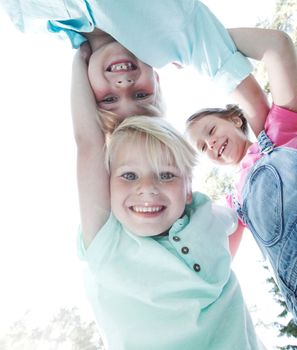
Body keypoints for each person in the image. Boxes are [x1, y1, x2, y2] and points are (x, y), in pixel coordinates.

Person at [71, 47, 265, 350]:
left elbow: (243, 217)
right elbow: (88, 143)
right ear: (107, 188)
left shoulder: (206, 213)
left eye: (166, 175)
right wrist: (80, 60)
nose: (147, 188)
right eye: (129, 176)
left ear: (188, 188)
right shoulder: (105, 239)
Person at [186, 27, 297, 350]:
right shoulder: (234, 205)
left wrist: (197, 42)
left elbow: (277, 48)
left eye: (209, 130)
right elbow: (212, 265)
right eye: (202, 148)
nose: (211, 144)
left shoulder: (278, 132)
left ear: (233, 119)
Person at [0, 0, 268, 130]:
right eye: (142, 95)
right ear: (157, 79)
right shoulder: (170, 28)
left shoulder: (28, 19)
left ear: (86, 93)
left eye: (108, 100)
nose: (125, 85)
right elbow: (245, 93)